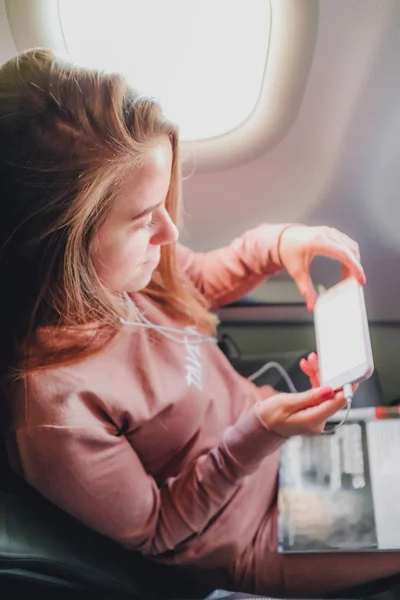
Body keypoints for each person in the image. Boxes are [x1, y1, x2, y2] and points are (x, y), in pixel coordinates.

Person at [0, 48, 399, 599]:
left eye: (164, 201)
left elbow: (199, 283)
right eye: (143, 219)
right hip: (256, 531)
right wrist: (261, 433)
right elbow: (160, 529)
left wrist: (276, 244)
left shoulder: (128, 270)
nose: (169, 229)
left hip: (293, 448)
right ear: (57, 246)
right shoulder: (56, 415)